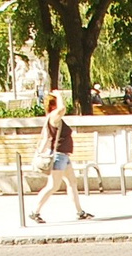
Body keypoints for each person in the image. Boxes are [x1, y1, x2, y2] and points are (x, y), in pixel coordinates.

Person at [30, 91, 92, 223]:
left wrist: (40, 152)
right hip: (59, 156)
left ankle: (79, 211)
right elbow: (62, 108)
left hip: (64, 156)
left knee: (72, 183)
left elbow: (47, 138)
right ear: (54, 105)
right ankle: (34, 211)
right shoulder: (54, 116)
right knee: (53, 186)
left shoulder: (52, 118)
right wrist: (59, 96)